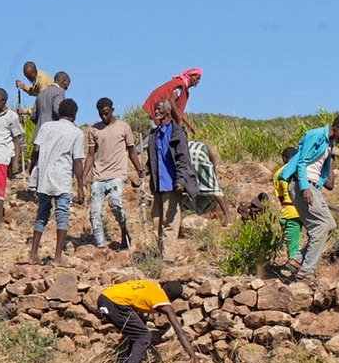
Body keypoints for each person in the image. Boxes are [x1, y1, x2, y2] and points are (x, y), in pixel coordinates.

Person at [280, 114, 339, 280]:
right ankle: (306, 272)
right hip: (303, 184)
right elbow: (301, 162)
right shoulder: (315, 135)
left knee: (330, 225)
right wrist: (305, 187)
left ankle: (298, 260)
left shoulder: (329, 143)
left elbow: (328, 181)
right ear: (338, 127)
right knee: (320, 226)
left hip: (314, 186)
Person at [28, 98, 85, 266]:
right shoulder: (76, 133)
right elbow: (77, 162)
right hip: (62, 179)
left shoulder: (46, 127)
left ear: (59, 113)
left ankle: (33, 254)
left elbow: (35, 151)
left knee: (42, 216)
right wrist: (80, 187)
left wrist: (31, 170)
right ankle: (58, 257)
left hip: (44, 177)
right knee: (62, 216)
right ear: (74, 115)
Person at [83, 98, 146, 250]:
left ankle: (124, 231)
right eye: (101, 114)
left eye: (106, 113)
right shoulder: (94, 130)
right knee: (95, 212)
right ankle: (100, 246)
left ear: (112, 110)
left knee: (116, 204)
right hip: (99, 175)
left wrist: (139, 169)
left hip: (117, 174)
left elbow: (131, 150)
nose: (104, 117)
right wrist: (83, 177)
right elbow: (91, 155)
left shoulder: (124, 127)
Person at [98, 279, 196, 363]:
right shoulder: (163, 302)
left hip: (104, 297)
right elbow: (179, 332)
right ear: (173, 299)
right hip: (115, 304)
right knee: (144, 336)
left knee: (138, 330)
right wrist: (193, 356)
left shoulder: (150, 285)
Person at [146, 99, 198, 262]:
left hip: (172, 184)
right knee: (156, 222)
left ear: (168, 111)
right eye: (155, 109)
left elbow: (183, 159)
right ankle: (159, 255)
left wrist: (181, 180)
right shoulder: (154, 135)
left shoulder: (177, 133)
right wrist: (143, 171)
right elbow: (152, 160)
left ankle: (167, 258)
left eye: (159, 109)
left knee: (170, 222)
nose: (156, 112)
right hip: (158, 185)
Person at [0, 88, 25, 229]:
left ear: (3, 101)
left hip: (1, 156)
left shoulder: (11, 116)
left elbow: (17, 138)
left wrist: (16, 161)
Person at [143, 69, 202, 136]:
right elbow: (172, 101)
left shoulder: (183, 89)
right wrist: (179, 119)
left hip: (161, 110)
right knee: (157, 135)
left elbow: (179, 111)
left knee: (161, 134)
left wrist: (190, 126)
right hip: (156, 107)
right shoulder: (180, 86)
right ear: (190, 76)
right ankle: (139, 146)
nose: (198, 81)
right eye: (197, 78)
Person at [185, 140, 231, 220]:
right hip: (198, 156)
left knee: (187, 185)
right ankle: (228, 217)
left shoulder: (191, 144)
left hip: (186, 156)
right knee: (215, 190)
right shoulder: (208, 150)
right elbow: (212, 169)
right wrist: (213, 182)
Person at [273, 147, 301, 265]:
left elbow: (281, 198)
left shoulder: (278, 173)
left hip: (290, 211)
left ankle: (296, 269)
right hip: (307, 211)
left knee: (293, 247)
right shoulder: (301, 169)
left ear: (284, 159)